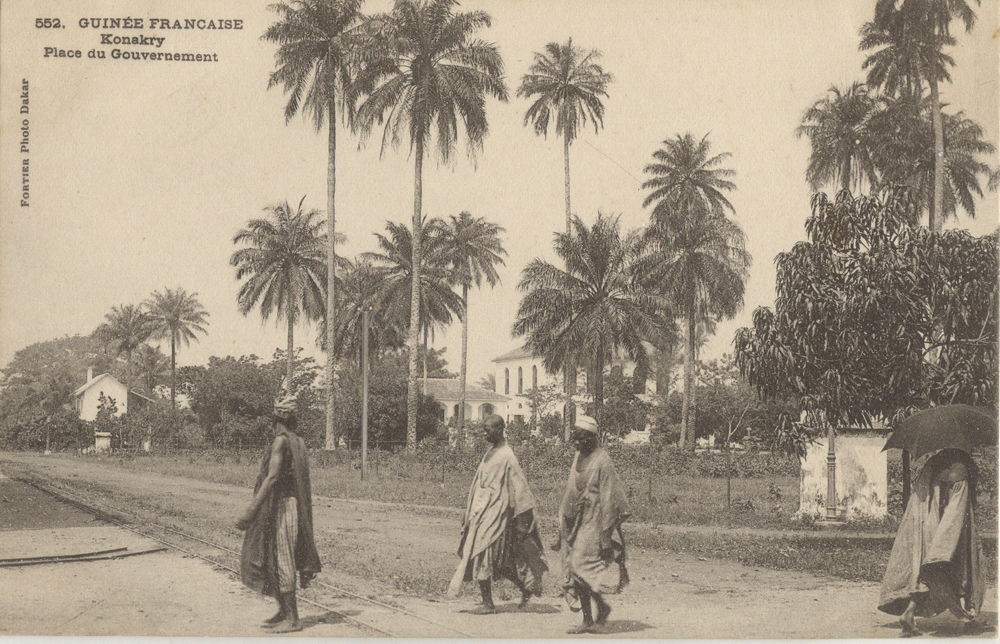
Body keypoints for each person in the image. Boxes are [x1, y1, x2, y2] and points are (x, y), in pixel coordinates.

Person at [236, 394, 321, 633]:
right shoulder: (297, 440)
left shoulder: (281, 442)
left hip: (284, 505)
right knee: (273, 556)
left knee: (283, 559)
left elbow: (272, 477)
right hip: (286, 505)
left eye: (275, 411)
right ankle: (283, 611)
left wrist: (250, 511)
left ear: (279, 415)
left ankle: (292, 619)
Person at [878, 448, 984, 637]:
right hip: (951, 529)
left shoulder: (933, 463)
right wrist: (945, 542)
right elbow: (958, 509)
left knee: (930, 573)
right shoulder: (960, 467)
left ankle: (909, 613)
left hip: (929, 525)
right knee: (961, 570)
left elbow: (920, 501)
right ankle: (968, 618)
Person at [447, 414, 548, 613]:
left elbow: (520, 489)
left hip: (496, 515)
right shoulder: (491, 452)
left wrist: (522, 521)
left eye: (488, 429)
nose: (485, 433)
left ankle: (488, 603)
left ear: (500, 429)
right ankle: (525, 588)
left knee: (483, 554)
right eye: (483, 429)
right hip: (482, 513)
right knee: (500, 562)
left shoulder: (507, 456)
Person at [554, 415, 630, 634]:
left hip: (596, 521)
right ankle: (588, 619)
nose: (575, 444)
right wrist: (563, 527)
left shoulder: (603, 460)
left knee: (579, 567)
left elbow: (610, 498)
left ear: (591, 437)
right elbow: (570, 491)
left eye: (579, 439)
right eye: (574, 440)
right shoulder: (579, 456)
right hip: (577, 521)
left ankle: (603, 610)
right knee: (575, 568)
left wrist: (606, 535)